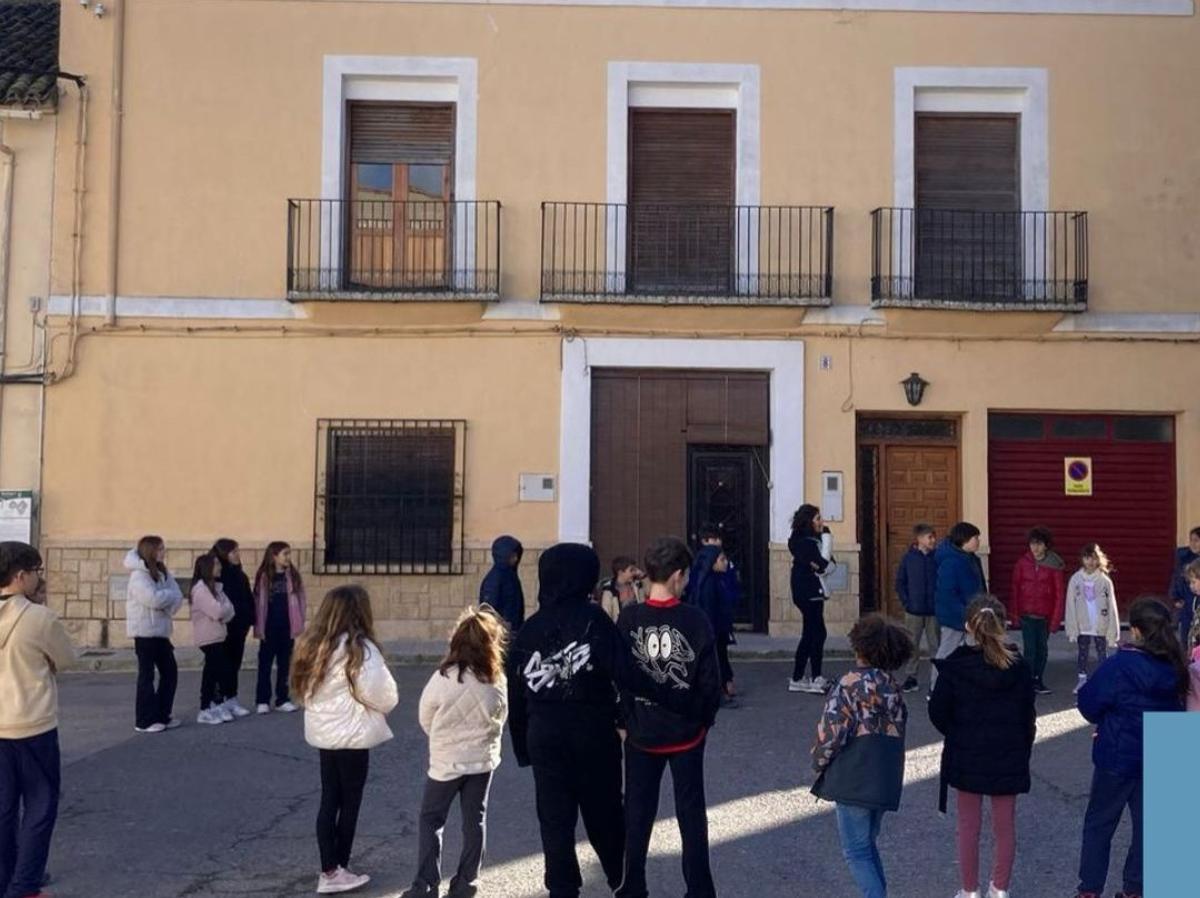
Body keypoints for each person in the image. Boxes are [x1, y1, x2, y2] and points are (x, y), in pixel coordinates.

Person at [507, 542, 629, 898]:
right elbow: (623, 672)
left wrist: (522, 745)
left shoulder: (530, 629)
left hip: (545, 735)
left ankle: (562, 889)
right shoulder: (596, 621)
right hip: (594, 732)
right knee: (605, 813)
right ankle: (621, 881)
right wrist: (624, 720)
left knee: (555, 819)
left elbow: (517, 694)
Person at [616, 537, 721, 898]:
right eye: (686, 575)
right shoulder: (695, 619)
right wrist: (705, 719)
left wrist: (622, 721)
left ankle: (632, 884)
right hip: (687, 732)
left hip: (641, 731)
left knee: (637, 813)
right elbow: (711, 681)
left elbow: (618, 677)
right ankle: (699, 889)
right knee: (691, 814)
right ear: (678, 575)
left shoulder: (629, 618)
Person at [1073, 596, 1186, 898]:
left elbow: (1088, 704)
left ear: (1135, 630)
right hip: (1166, 751)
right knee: (1150, 829)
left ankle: (1090, 890)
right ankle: (1136, 888)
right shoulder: (1177, 665)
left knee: (1100, 823)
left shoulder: (1120, 665)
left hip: (1119, 751)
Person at [291, 584, 398, 896]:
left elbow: (305, 691)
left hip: (324, 732)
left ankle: (329, 866)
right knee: (350, 803)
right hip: (353, 733)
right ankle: (338, 869)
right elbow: (383, 693)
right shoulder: (360, 649)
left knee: (329, 799)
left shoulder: (312, 645)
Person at [930, 596, 1036, 898]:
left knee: (968, 826)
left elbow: (938, 712)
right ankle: (999, 888)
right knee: (1004, 826)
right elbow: (1027, 711)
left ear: (967, 626)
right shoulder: (1019, 666)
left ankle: (969, 890)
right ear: (1004, 625)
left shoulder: (955, 667)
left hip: (968, 752)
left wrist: (958, 732)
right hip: (1009, 751)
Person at [402, 607, 508, 898]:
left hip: (446, 761)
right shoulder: (496, 679)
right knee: (475, 820)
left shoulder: (444, 676)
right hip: (482, 760)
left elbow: (426, 714)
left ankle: (425, 885)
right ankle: (466, 883)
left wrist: (440, 737)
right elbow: (501, 716)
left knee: (432, 819)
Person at [811, 614, 913, 898]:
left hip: (853, 775)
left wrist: (818, 762)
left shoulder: (849, 684)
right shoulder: (893, 687)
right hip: (884, 777)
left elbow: (831, 732)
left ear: (860, 648)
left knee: (855, 852)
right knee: (867, 847)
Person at [0, 542, 74, 898]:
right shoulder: (38, 617)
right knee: (40, 807)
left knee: (3, 810)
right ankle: (25, 884)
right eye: (36, 572)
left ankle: (7, 879)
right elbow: (67, 659)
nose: (38, 579)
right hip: (32, 724)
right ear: (20, 576)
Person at [125, 535, 184, 733]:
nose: (163, 552)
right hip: (144, 633)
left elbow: (177, 596)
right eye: (159, 549)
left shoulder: (162, 572)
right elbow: (153, 599)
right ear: (150, 551)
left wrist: (167, 600)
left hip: (161, 632)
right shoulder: (138, 576)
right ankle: (144, 720)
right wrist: (168, 598)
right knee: (147, 676)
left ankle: (162, 714)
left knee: (170, 673)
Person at [1010, 526, 1065, 695]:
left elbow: (1059, 594)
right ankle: (1028, 680)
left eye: (1039, 544)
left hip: (1045, 615)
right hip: (1027, 614)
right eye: (1032, 544)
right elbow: (1015, 589)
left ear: (1046, 546)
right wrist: (1014, 615)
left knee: (1042, 649)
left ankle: (1037, 679)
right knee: (1030, 650)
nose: (1035, 548)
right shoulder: (1022, 563)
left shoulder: (1054, 565)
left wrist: (1056, 619)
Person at [933, 522, 986, 693]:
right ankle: (936, 688)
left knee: (974, 653)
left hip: (974, 616)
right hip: (956, 618)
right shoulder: (951, 562)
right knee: (946, 653)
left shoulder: (972, 560)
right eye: (975, 538)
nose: (978, 541)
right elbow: (948, 595)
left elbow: (980, 588)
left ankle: (970, 687)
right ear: (965, 540)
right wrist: (964, 619)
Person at [254, 541, 306, 714]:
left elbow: (301, 599)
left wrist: (300, 619)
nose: (288, 557)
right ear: (274, 556)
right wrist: (259, 625)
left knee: (285, 664)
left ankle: (282, 699)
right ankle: (262, 700)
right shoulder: (263, 576)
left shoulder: (293, 576)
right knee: (265, 664)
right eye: (285, 554)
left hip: (287, 626)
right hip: (269, 627)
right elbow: (258, 602)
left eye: (289, 553)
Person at [685, 536, 738, 703]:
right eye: (721, 559)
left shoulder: (716, 580)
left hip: (717, 630)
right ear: (712, 563)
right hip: (711, 631)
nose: (725, 562)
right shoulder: (708, 585)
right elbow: (709, 611)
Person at [789, 504, 834, 694]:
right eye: (817, 519)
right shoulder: (805, 543)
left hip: (810, 591)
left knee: (815, 632)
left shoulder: (805, 541)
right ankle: (807, 677)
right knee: (813, 633)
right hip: (809, 591)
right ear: (808, 521)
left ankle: (807, 676)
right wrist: (827, 538)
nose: (821, 522)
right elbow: (823, 564)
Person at [1064, 544, 1120, 694]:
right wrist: (1072, 626)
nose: (1090, 561)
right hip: (1083, 623)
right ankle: (1082, 680)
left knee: (1102, 652)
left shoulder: (1104, 581)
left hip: (1100, 623)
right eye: (1087, 558)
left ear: (1099, 560)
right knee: (1083, 652)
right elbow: (1070, 604)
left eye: (1094, 558)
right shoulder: (1076, 579)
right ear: (1082, 559)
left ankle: (1103, 680)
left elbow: (1112, 605)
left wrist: (1112, 629)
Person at [190, 552, 237, 725]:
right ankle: (205, 707)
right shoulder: (200, 589)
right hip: (208, 637)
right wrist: (221, 612)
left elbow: (230, 610)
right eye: (216, 564)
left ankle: (215, 703)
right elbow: (217, 611)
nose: (220, 567)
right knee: (213, 672)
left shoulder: (216, 588)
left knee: (218, 671)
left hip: (218, 635)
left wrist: (221, 613)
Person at [895, 523, 940, 694]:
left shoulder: (937, 558)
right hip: (913, 610)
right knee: (912, 645)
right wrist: (907, 602)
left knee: (935, 645)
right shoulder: (909, 558)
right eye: (930, 537)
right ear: (919, 539)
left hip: (933, 611)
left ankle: (936, 679)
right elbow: (900, 582)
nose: (933, 540)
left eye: (934, 536)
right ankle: (911, 677)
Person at [212, 538, 254, 718]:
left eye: (238, 551)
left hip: (240, 626)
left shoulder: (240, 575)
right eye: (233, 552)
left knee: (235, 663)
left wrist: (250, 618)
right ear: (224, 554)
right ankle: (217, 699)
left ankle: (231, 698)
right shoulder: (217, 577)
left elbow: (248, 598)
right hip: (223, 627)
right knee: (222, 664)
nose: (237, 555)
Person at [480, 535, 524, 632]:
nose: (516, 559)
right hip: (499, 633)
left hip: (512, 629)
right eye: (512, 556)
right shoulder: (495, 578)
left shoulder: (511, 577)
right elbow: (488, 608)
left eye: (516, 555)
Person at [1168, 526, 1200, 645]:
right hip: (1186, 603)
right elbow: (1176, 578)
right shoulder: (1184, 558)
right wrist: (1175, 597)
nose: (1193, 544)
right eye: (1191, 540)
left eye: (1196, 540)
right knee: (1186, 637)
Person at [596, 556, 643, 622]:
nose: (634, 573)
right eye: (631, 570)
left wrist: (643, 575)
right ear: (620, 572)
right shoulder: (609, 590)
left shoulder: (637, 585)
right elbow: (606, 615)